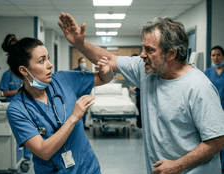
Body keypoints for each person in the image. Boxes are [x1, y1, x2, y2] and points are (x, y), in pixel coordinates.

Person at [58, 13, 224, 174]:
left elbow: (218, 140)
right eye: (143, 48)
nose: (142, 55)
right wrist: (80, 44)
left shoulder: (199, 87)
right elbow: (109, 59)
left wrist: (177, 166)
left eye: (150, 50)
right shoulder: (146, 70)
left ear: (172, 53)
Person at [3, 34, 113, 174]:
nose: (50, 65)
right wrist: (73, 118)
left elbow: (104, 79)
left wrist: (107, 71)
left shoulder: (63, 80)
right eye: (42, 61)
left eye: (48, 58)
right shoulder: (17, 110)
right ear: (24, 70)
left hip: (87, 167)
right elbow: (43, 151)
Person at [0, 69, 31, 164]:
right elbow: (5, 93)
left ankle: (26, 158)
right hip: (13, 108)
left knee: (27, 132)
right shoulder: (7, 75)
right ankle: (14, 159)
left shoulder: (26, 74)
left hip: (26, 107)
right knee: (15, 135)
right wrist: (20, 90)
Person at [204, 45, 224, 173]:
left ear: (223, 56)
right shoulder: (207, 72)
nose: (216, 58)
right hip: (213, 111)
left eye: (218, 55)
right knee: (214, 139)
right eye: (213, 55)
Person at [73, 57, 89, 129]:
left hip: (85, 93)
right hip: (77, 93)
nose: (83, 63)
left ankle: (83, 125)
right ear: (79, 63)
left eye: (84, 62)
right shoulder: (74, 71)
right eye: (82, 62)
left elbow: (89, 83)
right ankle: (77, 125)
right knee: (77, 109)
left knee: (84, 110)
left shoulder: (87, 71)